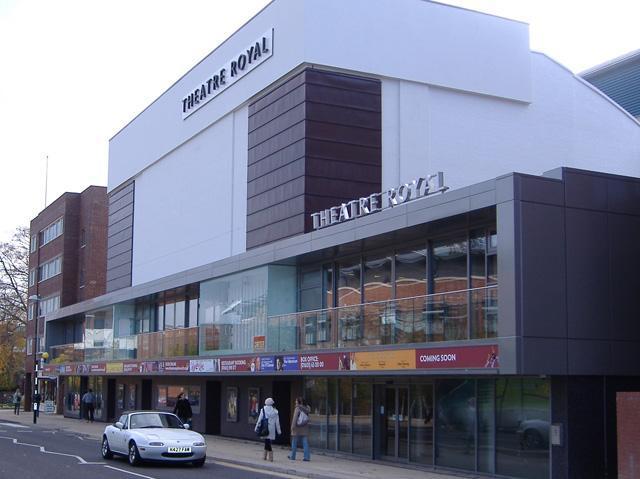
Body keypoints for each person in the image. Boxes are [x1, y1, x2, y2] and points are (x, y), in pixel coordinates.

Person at [254, 397, 281, 462]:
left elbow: (259, 420)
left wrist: (256, 427)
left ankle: (270, 457)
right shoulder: (275, 411)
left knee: (267, 441)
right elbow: (277, 422)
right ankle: (265, 456)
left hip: (264, 428)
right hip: (271, 429)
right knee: (267, 441)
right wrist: (279, 431)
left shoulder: (263, 410)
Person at [288, 397, 311, 461]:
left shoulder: (297, 408)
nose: (295, 402)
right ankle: (306, 457)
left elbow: (295, 419)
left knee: (294, 442)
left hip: (297, 428)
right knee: (305, 443)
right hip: (305, 427)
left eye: (296, 401)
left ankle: (293, 456)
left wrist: (292, 427)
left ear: (298, 402)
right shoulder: (307, 408)